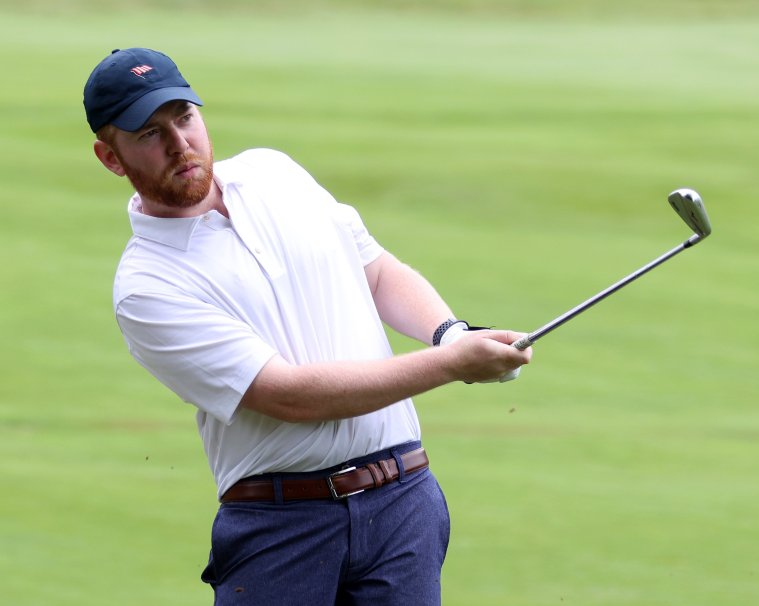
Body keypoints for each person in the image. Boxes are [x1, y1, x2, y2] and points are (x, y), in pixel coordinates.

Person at [84, 47, 532, 606]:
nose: (180, 144)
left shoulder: (274, 172)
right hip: (282, 529)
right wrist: (451, 365)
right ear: (111, 158)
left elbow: (376, 271)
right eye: (150, 133)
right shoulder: (147, 287)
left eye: (184, 117)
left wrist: (451, 334)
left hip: (404, 503)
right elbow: (289, 395)